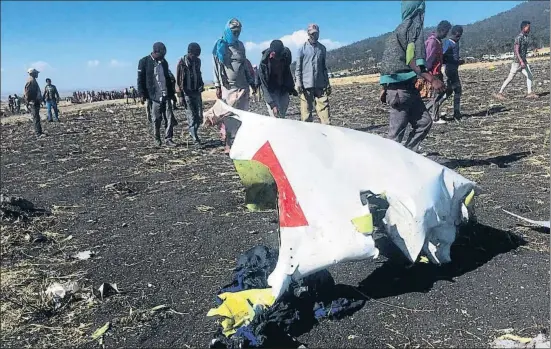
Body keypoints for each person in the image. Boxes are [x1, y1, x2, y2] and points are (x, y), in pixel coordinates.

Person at [379, 0, 445, 153]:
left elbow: (388, 63)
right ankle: (388, 168)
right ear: (419, 11)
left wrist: (383, 87)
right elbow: (411, 59)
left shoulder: (397, 31)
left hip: (407, 88)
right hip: (400, 91)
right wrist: (432, 79)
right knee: (395, 136)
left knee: (424, 122)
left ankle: (408, 156)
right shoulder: (414, 28)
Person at [212, 18, 254, 152]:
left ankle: (239, 141)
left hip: (242, 85)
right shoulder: (220, 45)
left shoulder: (241, 46)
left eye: (238, 32)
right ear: (228, 31)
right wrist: (217, 85)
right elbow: (216, 67)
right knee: (229, 115)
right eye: (234, 32)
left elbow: (245, 64)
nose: (236, 35)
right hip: (228, 87)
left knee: (242, 114)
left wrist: (251, 80)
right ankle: (228, 143)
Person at [137, 42, 178, 147]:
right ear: (155, 52)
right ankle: (157, 139)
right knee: (156, 119)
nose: (164, 56)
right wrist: (141, 94)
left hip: (166, 94)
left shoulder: (164, 63)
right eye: (162, 54)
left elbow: (168, 79)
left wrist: (172, 94)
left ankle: (168, 138)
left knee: (169, 118)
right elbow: (140, 79)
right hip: (154, 96)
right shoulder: (144, 62)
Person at [295, 23, 332, 125]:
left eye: (316, 34)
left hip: (320, 85)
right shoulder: (301, 49)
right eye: (312, 34)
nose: (314, 36)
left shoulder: (322, 49)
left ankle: (327, 135)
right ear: (308, 34)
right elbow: (298, 69)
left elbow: (324, 68)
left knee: (325, 116)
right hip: (306, 86)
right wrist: (298, 83)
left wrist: (327, 83)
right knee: (306, 117)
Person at [495, 21, 538, 100]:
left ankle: (529, 92)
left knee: (530, 76)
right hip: (517, 62)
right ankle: (500, 92)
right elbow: (516, 50)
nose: (529, 29)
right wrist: (520, 61)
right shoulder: (519, 37)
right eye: (528, 27)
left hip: (524, 61)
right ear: (524, 27)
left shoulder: (526, 37)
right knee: (510, 77)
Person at [259, 40, 298, 118]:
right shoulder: (264, 64)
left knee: (282, 115)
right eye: (278, 56)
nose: (280, 58)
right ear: (272, 54)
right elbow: (264, 86)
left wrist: (291, 88)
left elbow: (287, 72)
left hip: (283, 90)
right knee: (275, 117)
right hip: (271, 91)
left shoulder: (285, 55)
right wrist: (272, 104)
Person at [176, 42, 205, 144]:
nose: (195, 57)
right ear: (189, 53)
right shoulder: (181, 62)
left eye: (197, 55)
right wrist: (180, 96)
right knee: (191, 115)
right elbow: (178, 80)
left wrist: (201, 84)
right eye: (194, 55)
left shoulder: (198, 61)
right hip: (187, 93)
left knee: (199, 116)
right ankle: (195, 138)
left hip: (197, 92)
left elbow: (199, 74)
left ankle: (193, 131)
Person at [424, 20, 451, 124]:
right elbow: (429, 58)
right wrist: (428, 74)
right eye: (446, 32)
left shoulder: (438, 41)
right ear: (442, 30)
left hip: (437, 71)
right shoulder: (432, 42)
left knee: (441, 93)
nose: (446, 34)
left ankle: (429, 111)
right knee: (436, 95)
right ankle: (434, 117)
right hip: (433, 72)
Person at [439, 25, 465, 120]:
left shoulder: (455, 43)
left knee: (451, 91)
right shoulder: (448, 43)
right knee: (456, 90)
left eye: (460, 36)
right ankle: (456, 112)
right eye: (457, 36)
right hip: (450, 70)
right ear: (452, 34)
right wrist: (455, 61)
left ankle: (455, 111)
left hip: (454, 70)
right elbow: (443, 56)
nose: (459, 38)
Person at [24, 68, 45, 138]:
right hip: (33, 102)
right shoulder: (31, 81)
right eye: (36, 73)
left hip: (34, 101)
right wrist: (28, 102)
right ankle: (38, 133)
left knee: (36, 117)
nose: (37, 74)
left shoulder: (32, 80)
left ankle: (39, 132)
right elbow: (27, 93)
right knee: (36, 117)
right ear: (32, 73)